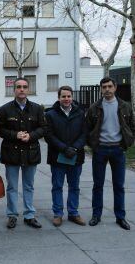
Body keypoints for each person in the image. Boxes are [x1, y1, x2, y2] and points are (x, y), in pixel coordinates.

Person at [86, 77, 135, 230]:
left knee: (119, 185)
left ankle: (120, 217)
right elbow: (87, 129)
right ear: (101, 89)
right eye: (104, 87)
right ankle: (96, 215)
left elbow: (133, 128)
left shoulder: (125, 106)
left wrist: (126, 144)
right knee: (98, 185)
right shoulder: (94, 108)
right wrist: (93, 146)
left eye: (109, 86)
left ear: (115, 88)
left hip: (118, 150)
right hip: (100, 150)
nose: (107, 89)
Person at [0, 77, 47, 229]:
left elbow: (44, 128)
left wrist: (30, 136)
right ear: (14, 90)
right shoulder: (5, 109)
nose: (22, 89)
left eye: (24, 87)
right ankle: (12, 215)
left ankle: (29, 215)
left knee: (29, 186)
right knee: (12, 186)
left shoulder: (37, 108)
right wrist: (15, 135)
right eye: (18, 87)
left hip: (30, 152)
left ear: (28, 89)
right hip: (12, 152)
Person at [44, 86, 86, 227]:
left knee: (74, 186)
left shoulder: (80, 113)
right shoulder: (50, 114)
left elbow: (84, 133)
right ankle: (58, 214)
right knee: (57, 186)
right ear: (59, 98)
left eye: (69, 96)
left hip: (76, 156)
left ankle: (73, 213)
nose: (66, 99)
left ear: (72, 97)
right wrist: (64, 148)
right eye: (63, 96)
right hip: (58, 157)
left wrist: (74, 148)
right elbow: (49, 135)